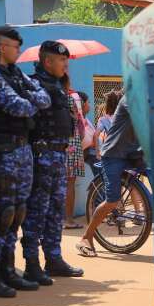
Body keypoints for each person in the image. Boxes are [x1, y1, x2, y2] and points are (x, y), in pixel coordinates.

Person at [0, 26, 50, 298]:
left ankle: (8, 271)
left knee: (18, 213)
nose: (19, 51)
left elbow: (44, 98)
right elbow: (18, 106)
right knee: (2, 216)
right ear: (2, 47)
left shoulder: (16, 74)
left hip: (22, 150)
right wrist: (30, 99)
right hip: (0, 154)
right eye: (15, 47)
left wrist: (29, 98)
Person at [21, 41, 84, 280]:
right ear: (47, 62)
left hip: (58, 153)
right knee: (38, 210)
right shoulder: (35, 84)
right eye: (61, 61)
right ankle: (32, 263)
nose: (65, 64)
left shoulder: (57, 85)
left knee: (56, 211)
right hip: (42, 154)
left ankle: (54, 259)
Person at [75, 93, 145, 257]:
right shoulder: (130, 99)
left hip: (133, 153)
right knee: (112, 200)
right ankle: (86, 238)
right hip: (114, 155)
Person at [63, 74, 85, 230]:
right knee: (70, 182)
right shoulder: (72, 97)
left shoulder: (49, 95)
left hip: (55, 144)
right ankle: (68, 219)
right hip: (72, 142)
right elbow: (79, 120)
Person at [94, 89, 122, 159]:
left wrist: (98, 153)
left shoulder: (103, 119)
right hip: (125, 152)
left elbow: (96, 135)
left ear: (107, 105)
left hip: (111, 153)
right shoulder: (124, 117)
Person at [78, 91, 99, 176]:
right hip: (86, 152)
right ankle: (100, 185)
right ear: (82, 104)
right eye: (88, 102)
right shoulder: (78, 120)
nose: (90, 105)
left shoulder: (86, 119)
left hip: (92, 150)